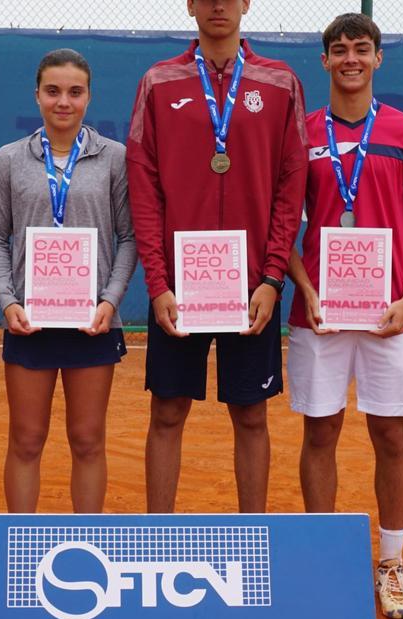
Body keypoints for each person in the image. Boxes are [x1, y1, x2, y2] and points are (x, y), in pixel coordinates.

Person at [286, 13, 403, 619]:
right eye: (339, 50)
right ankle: (324, 558)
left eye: (362, 49)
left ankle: (392, 564)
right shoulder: (299, 133)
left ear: (379, 59)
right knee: (319, 432)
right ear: (323, 61)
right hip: (318, 314)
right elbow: (284, 226)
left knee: (391, 435)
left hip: (390, 316)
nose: (351, 58)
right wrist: (306, 287)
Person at [127, 0, 308, 513]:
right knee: (167, 411)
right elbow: (143, 184)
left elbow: (290, 184)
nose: (219, 5)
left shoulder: (280, 82)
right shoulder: (158, 81)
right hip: (179, 287)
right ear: (190, 5)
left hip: (252, 286)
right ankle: (157, 538)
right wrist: (158, 283)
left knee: (251, 415)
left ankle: (252, 537)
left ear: (247, 3)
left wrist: (273, 278)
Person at [0, 48, 137, 513]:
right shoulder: (10, 159)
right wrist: (9, 301)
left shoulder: (115, 158)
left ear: (89, 97)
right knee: (27, 440)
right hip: (29, 321)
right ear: (37, 96)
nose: (63, 102)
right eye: (53, 91)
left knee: (88, 440)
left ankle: (86, 543)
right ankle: (21, 546)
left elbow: (128, 238)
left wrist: (109, 302)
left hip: (92, 322)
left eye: (74, 92)